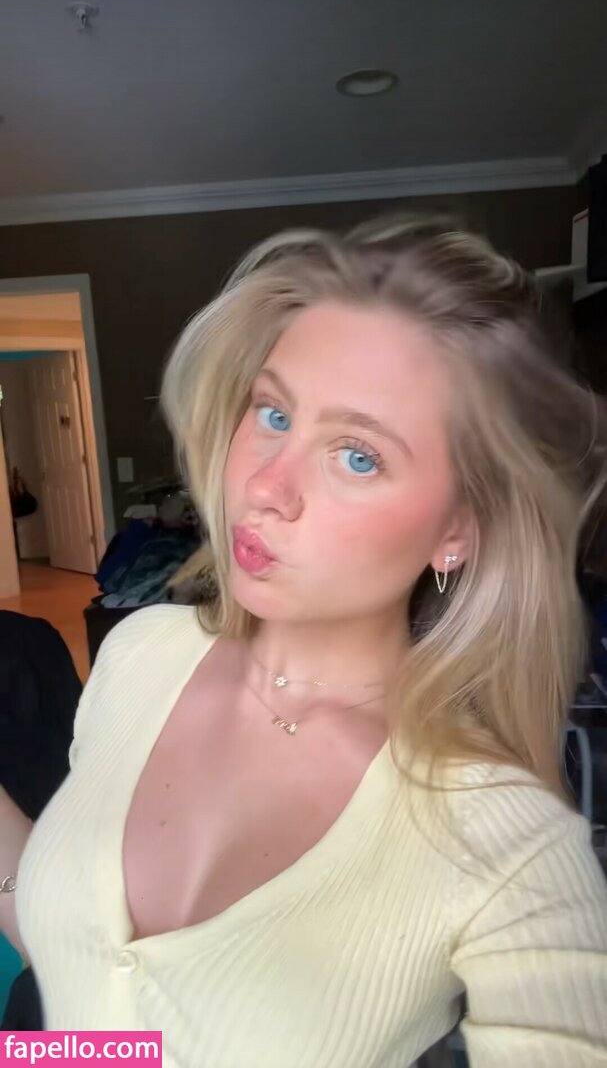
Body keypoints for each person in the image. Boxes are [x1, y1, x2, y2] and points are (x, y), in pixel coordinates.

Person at [2, 215, 607, 1067]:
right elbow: (97, 996)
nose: (264, 486)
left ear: (457, 531)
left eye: (357, 455)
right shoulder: (139, 654)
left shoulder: (508, 844)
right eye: (273, 412)